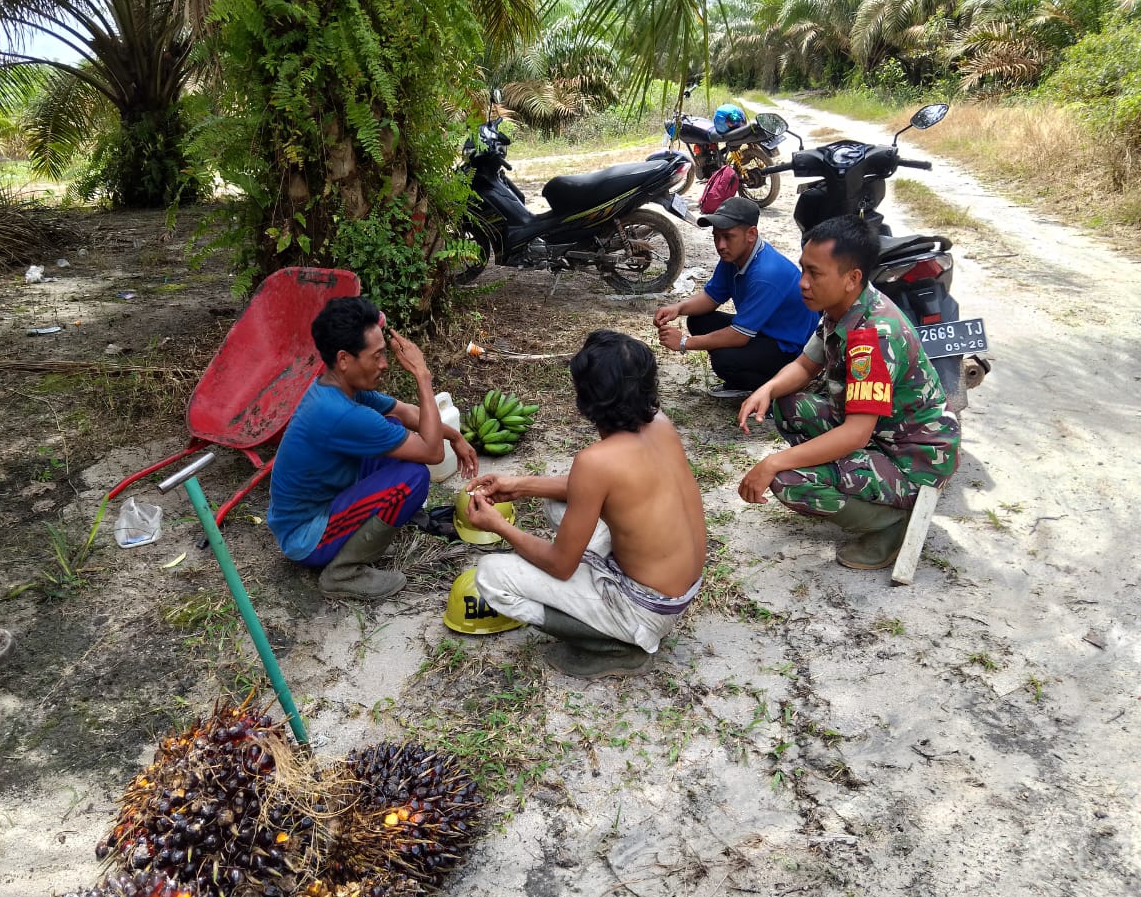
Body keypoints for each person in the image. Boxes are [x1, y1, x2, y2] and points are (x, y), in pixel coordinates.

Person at [465, 330, 706, 678]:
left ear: (585, 399)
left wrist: (498, 526)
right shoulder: (661, 425)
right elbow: (607, 490)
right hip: (677, 590)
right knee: (556, 506)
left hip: (645, 609)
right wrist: (521, 485)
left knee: (490, 576)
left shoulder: (596, 461)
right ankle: (615, 620)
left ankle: (616, 645)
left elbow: (561, 565)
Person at [736, 216, 961, 569]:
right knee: (788, 404)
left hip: (914, 461)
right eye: (803, 270)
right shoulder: (844, 308)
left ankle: (893, 524)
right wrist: (767, 389)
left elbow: (856, 433)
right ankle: (858, 490)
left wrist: (771, 463)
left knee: (788, 480)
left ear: (851, 278)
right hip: (883, 436)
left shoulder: (872, 336)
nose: (803, 283)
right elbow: (805, 365)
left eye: (815, 273)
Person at [267, 296, 478, 599]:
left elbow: (407, 413)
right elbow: (433, 453)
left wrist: (454, 436)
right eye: (377, 356)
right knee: (413, 478)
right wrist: (422, 376)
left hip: (324, 502)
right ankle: (343, 573)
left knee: (392, 427)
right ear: (344, 359)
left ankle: (362, 536)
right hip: (307, 537)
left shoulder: (339, 387)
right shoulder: (340, 413)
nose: (385, 364)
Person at [654, 196, 818, 398]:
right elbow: (711, 297)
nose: (720, 245)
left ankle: (780, 388)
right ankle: (749, 373)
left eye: (728, 236)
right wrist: (677, 308)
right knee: (699, 320)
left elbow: (739, 336)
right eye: (716, 237)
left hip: (790, 348)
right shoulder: (734, 256)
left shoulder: (766, 273)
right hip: (763, 331)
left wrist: (684, 343)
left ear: (751, 234)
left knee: (724, 361)